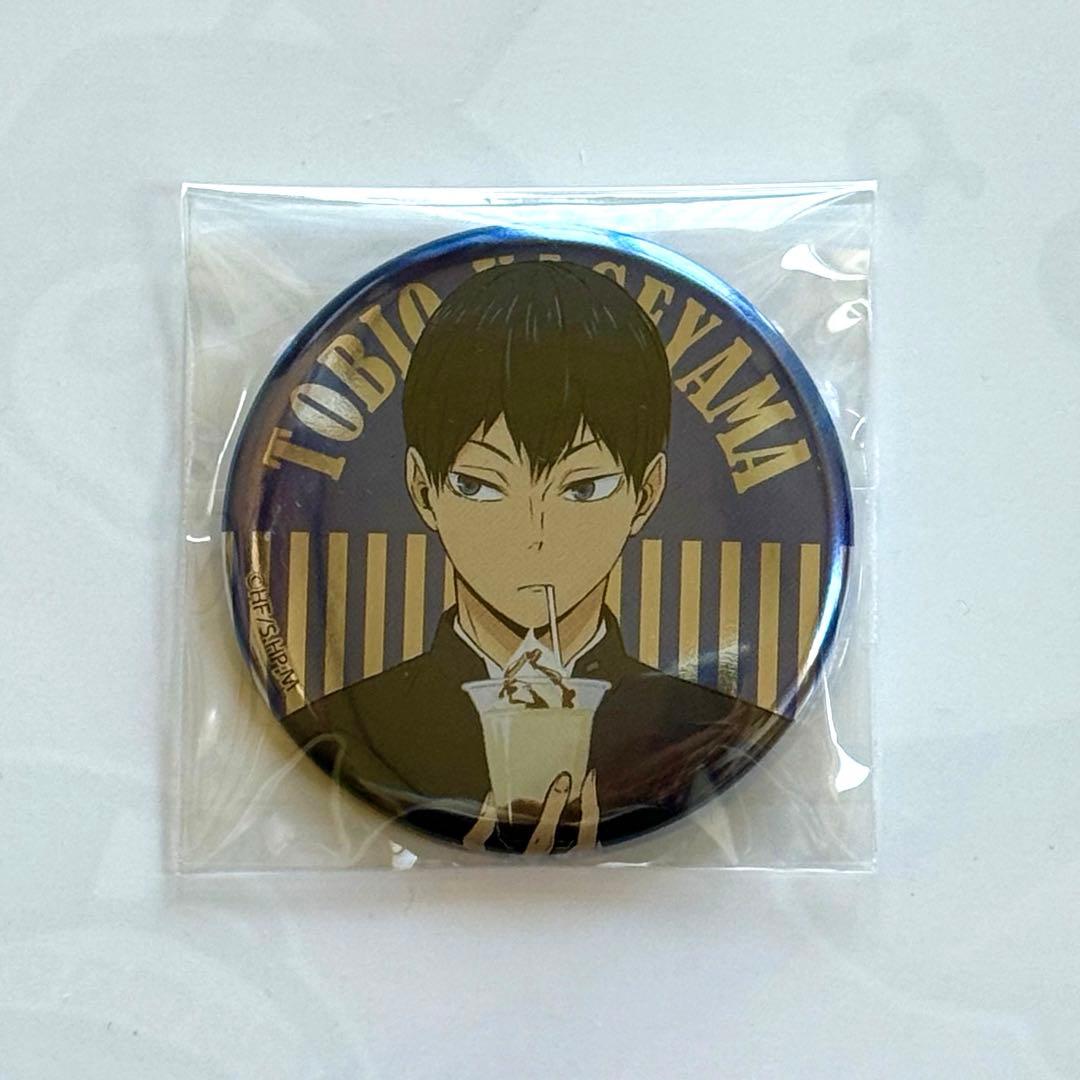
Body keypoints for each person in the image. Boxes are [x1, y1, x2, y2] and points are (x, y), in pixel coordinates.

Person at [283, 260, 784, 852]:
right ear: (422, 489)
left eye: (583, 488)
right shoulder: (351, 725)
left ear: (646, 494)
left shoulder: (705, 729)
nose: (533, 534)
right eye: (479, 486)